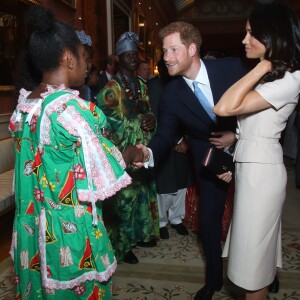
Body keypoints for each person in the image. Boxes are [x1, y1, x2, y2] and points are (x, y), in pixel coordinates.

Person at [9, 5, 144, 299]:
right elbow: (105, 167)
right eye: (85, 58)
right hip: (68, 231)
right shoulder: (74, 110)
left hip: (33, 225)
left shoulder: (24, 107)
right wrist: (131, 153)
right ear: (69, 59)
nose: (89, 66)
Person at [135, 22, 248, 300]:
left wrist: (236, 134)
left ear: (192, 49)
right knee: (208, 223)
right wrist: (147, 154)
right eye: (164, 50)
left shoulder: (233, 68)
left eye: (173, 49)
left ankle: (264, 274)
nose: (166, 57)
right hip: (208, 162)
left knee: (254, 216)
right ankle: (213, 281)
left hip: (249, 149)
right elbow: (163, 136)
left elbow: (264, 102)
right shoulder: (171, 94)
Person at [214, 3, 300, 300]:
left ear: (272, 35)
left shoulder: (291, 77)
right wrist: (235, 138)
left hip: (262, 176)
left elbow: (224, 107)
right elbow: (255, 122)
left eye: (251, 33)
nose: (244, 40)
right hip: (251, 168)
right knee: (250, 259)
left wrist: (265, 62)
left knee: (253, 270)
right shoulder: (275, 75)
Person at [96, 32, 159, 264]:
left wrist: (151, 118)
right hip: (123, 152)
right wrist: (126, 132)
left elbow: (148, 109)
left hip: (141, 148)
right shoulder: (111, 89)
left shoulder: (141, 85)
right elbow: (100, 120)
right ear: (118, 58)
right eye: (128, 55)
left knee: (141, 194)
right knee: (123, 200)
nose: (133, 58)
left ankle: (138, 236)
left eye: (135, 54)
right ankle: (121, 246)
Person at [147, 58, 193, 239]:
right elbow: (157, 117)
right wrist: (177, 139)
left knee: (181, 183)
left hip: (184, 141)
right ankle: (161, 222)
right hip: (165, 142)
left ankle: (177, 219)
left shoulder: (182, 83)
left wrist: (187, 140)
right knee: (164, 185)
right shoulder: (155, 86)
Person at [75, 30, 94, 102]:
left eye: (89, 61)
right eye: (84, 60)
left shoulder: (86, 90)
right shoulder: (62, 91)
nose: (87, 65)